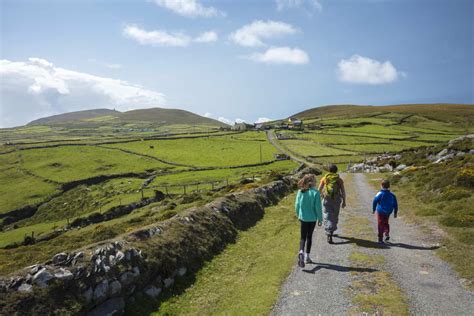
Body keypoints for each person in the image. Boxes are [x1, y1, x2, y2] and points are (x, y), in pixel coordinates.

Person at [295, 174, 323, 268]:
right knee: (309, 237)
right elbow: (318, 207)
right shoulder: (316, 192)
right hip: (312, 219)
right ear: (312, 182)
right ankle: (307, 257)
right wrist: (320, 218)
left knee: (302, 237)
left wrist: (298, 214)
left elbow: (297, 205)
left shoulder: (300, 192)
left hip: (303, 218)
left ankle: (301, 252)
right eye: (315, 180)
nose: (316, 182)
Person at [318, 164, 346, 244]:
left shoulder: (325, 178)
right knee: (335, 215)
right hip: (336, 200)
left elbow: (319, 190)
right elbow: (343, 191)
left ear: (328, 170)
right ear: (336, 171)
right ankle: (331, 231)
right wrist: (344, 201)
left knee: (327, 215)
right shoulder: (339, 180)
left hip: (326, 199)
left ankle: (328, 232)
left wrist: (318, 198)